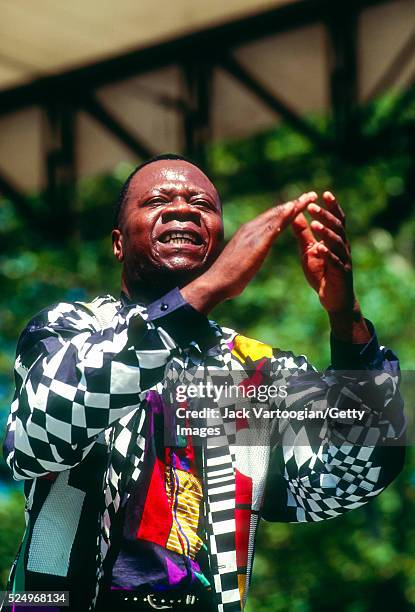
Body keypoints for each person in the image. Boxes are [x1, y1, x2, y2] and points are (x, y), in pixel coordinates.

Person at [2, 154, 405, 612]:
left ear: (217, 240)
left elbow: (352, 473)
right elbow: (37, 437)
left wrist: (346, 318)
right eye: (157, 200)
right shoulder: (71, 327)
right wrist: (205, 292)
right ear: (118, 243)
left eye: (202, 204)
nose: (183, 209)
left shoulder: (255, 371)